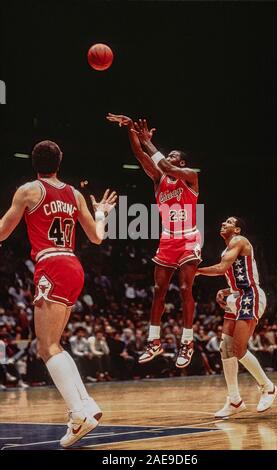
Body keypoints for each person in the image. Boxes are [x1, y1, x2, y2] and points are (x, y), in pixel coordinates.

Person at [0, 140, 117, 447]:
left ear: (33, 162)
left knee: (46, 346)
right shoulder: (74, 194)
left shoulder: (28, 190)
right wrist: (102, 213)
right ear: (59, 163)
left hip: (50, 264)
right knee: (55, 344)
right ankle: (87, 403)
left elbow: (2, 232)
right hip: (73, 266)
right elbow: (96, 237)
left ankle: (78, 415)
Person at [107, 114, 201, 368]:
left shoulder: (190, 176)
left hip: (189, 236)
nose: (167, 159)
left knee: (184, 289)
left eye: (171, 155)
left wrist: (148, 141)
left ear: (180, 161)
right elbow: (139, 155)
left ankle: (187, 342)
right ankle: (154, 341)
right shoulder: (159, 180)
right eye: (166, 155)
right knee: (159, 291)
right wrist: (131, 131)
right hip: (169, 238)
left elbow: (166, 165)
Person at [196, 216, 277, 417]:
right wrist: (227, 290)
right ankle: (234, 400)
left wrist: (195, 271)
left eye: (229, 222)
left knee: (238, 349)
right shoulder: (228, 248)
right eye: (223, 222)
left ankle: (268, 387)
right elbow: (238, 276)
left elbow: (221, 268)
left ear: (238, 229)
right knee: (225, 348)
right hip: (237, 296)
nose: (224, 223)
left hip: (250, 296)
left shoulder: (239, 241)